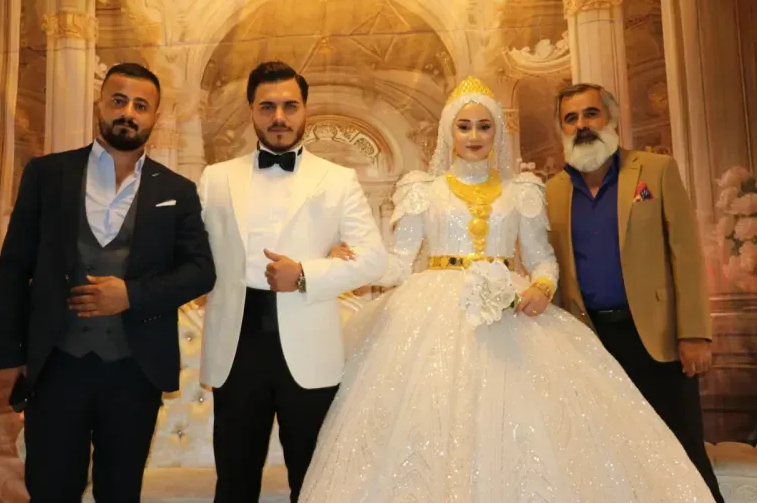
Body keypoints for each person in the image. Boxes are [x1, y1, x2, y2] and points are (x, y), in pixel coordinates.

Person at [298, 76, 717, 502]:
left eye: (484, 126)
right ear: (449, 132)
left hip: (511, 312)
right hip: (432, 317)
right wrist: (354, 262)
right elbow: (400, 263)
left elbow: (542, 258)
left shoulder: (524, 191)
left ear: (497, 132)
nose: (474, 135)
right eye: (464, 126)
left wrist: (542, 286)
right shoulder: (423, 190)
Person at [0, 63, 216, 502]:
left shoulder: (178, 190)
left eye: (141, 106)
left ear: (155, 116)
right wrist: (4, 355)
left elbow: (201, 270)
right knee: (51, 488)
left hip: (135, 369)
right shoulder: (47, 174)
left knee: (120, 491)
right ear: (100, 105)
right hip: (56, 364)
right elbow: (13, 267)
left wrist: (131, 295)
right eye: (119, 101)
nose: (128, 113)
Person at [197, 61, 388, 503]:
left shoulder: (338, 179)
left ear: (305, 109)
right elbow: (194, 255)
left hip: (309, 345)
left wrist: (304, 274)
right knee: (235, 480)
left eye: (290, 106)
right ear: (251, 110)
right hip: (235, 345)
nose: (279, 117)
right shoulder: (215, 178)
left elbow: (374, 259)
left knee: (313, 482)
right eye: (267, 106)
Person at [545, 82, 724, 503]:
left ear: (611, 118)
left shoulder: (656, 170)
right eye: (571, 118)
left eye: (591, 113)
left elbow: (686, 255)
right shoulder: (551, 191)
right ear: (562, 130)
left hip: (659, 342)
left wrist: (694, 333)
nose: (582, 125)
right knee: (613, 459)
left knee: (683, 454)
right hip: (591, 347)